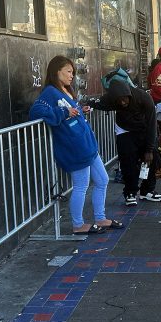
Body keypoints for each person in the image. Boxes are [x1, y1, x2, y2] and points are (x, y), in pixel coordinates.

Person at [29, 56, 123, 234]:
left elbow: (70, 112)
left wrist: (79, 110)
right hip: (74, 147)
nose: (72, 75)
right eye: (69, 71)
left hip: (87, 144)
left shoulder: (65, 90)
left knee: (102, 179)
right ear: (57, 71)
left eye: (73, 72)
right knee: (81, 185)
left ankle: (100, 218)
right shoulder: (50, 92)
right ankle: (78, 224)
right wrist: (65, 111)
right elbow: (36, 112)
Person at [90, 79, 161, 207]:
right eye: (119, 101)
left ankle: (147, 190)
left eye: (125, 99)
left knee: (151, 160)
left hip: (144, 128)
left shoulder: (144, 98)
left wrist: (149, 149)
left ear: (129, 95)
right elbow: (97, 103)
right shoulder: (110, 99)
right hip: (124, 130)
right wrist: (88, 104)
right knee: (128, 162)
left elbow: (152, 125)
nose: (123, 102)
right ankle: (130, 192)